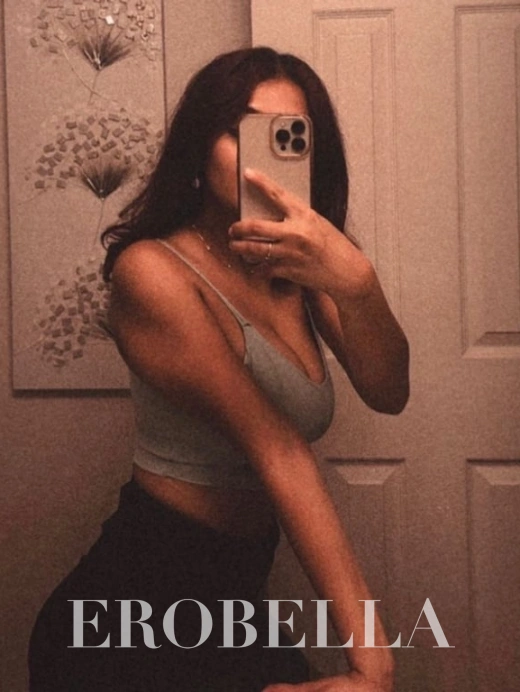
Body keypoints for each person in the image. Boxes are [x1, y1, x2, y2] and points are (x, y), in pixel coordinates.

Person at [28, 47, 409, 691]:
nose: (259, 159)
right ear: (199, 148)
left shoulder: (296, 267)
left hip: (236, 598)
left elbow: (388, 390)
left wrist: (358, 284)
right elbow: (277, 448)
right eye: (239, 131)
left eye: (287, 136)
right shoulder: (152, 272)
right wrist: (374, 665)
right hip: (134, 604)